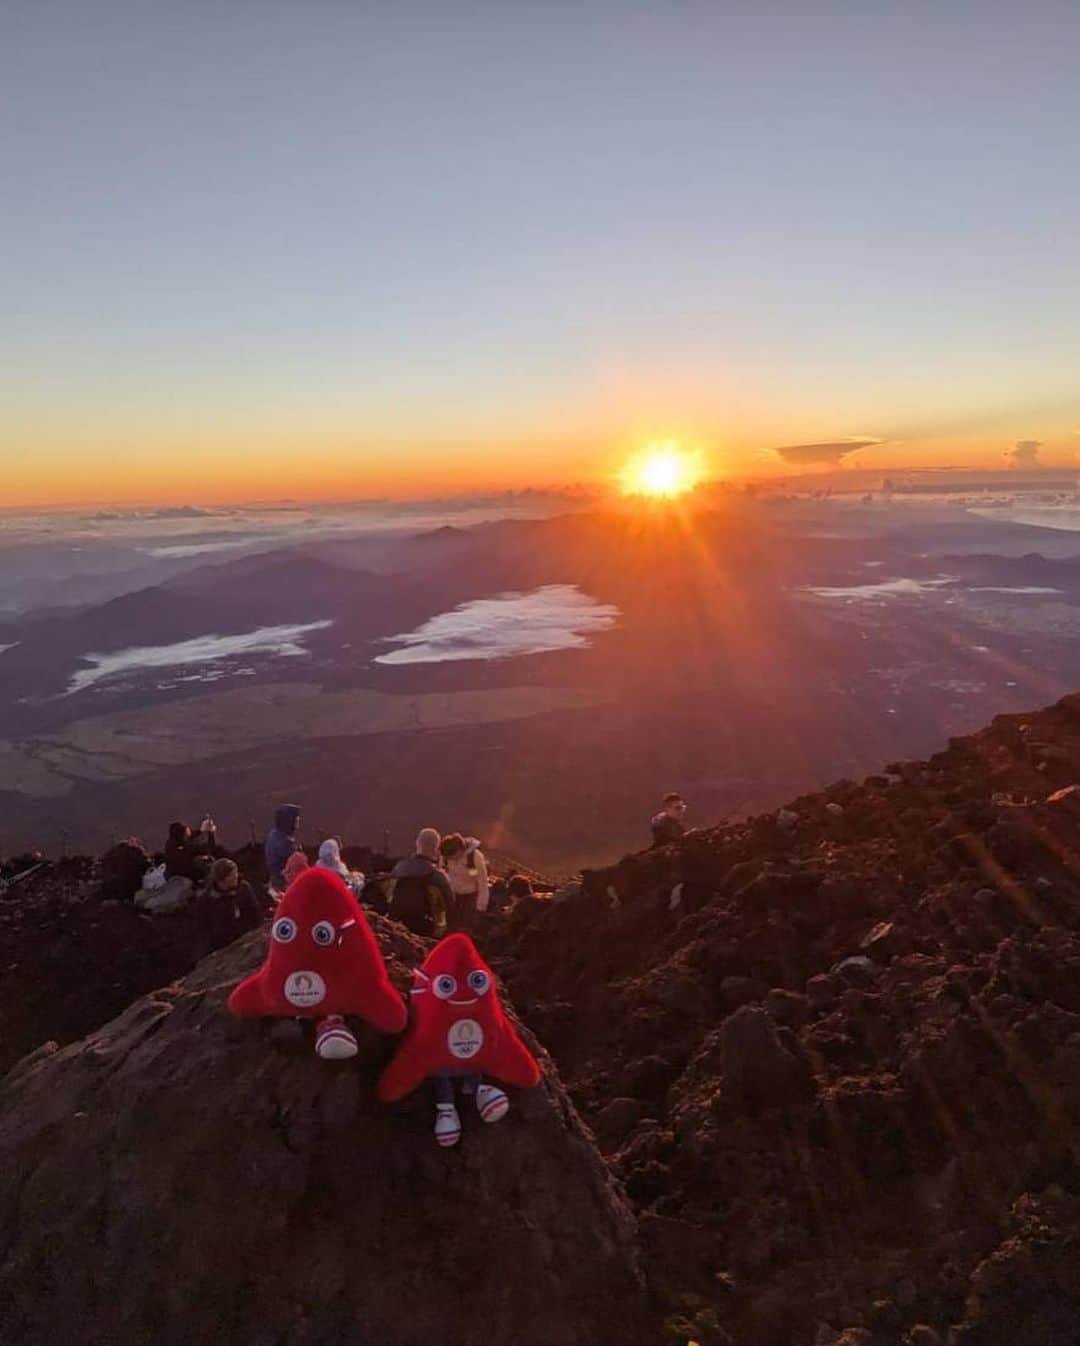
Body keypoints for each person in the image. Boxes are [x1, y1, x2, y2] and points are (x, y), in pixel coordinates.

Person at [387, 828, 454, 939]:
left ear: (417, 844)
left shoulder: (399, 868)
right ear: (437, 848)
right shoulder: (438, 876)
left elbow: (389, 897)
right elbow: (450, 910)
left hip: (397, 929)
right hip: (427, 932)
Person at [196, 858, 265, 952]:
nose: (236, 876)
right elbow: (203, 925)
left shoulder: (243, 888)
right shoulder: (207, 899)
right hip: (223, 942)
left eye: (236, 873)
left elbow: (255, 911)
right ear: (222, 879)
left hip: (246, 935)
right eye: (232, 875)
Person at [439, 833, 490, 933]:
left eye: (453, 857)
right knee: (451, 928)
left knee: (465, 929)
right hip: (453, 896)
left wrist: (481, 907)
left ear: (460, 850)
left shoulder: (475, 858)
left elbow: (482, 884)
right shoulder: (445, 857)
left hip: (471, 897)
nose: (451, 860)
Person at [265, 804, 301, 892]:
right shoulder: (285, 842)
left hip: (276, 881)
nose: (298, 820)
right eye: (296, 818)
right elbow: (298, 864)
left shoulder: (274, 834)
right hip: (285, 885)